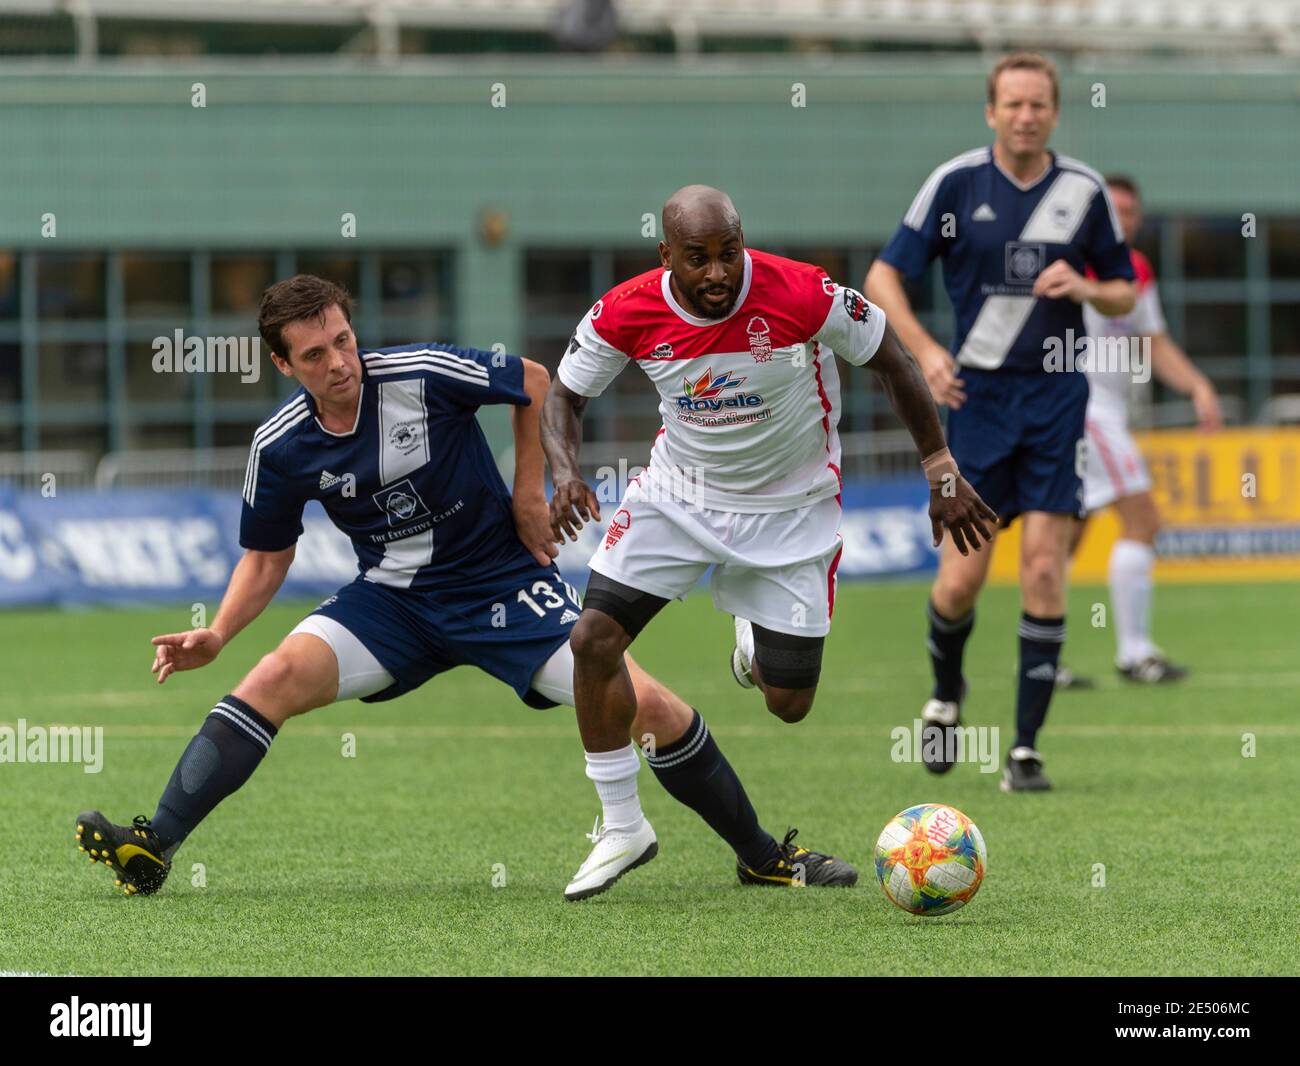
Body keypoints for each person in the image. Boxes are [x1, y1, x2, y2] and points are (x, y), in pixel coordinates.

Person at [74, 274, 856, 903]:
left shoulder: (419, 373)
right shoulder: (280, 447)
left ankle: (762, 858)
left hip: (501, 587)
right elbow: (267, 556)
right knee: (272, 677)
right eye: (314, 355)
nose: (339, 362)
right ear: (283, 365)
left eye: (343, 340)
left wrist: (528, 493)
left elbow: (536, 381)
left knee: (644, 704)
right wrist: (217, 632)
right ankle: (155, 846)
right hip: (392, 602)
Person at [542, 184, 994, 892]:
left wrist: (940, 467)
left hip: (793, 507)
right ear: (667, 256)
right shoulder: (627, 310)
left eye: (729, 253)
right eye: (698, 259)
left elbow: (892, 359)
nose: (718, 272)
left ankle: (754, 643)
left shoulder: (802, 292)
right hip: (678, 495)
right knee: (593, 639)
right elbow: (565, 395)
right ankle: (623, 824)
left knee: (790, 704)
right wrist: (565, 472)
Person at [864, 52, 1137, 791]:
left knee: (1046, 569)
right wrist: (922, 350)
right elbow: (883, 276)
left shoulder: (1082, 192)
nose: (1025, 116)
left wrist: (1084, 284)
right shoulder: (955, 184)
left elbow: (1123, 292)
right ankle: (948, 695)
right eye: (1012, 104)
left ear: (1054, 111)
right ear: (991, 111)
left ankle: (1023, 749)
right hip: (976, 405)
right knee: (960, 584)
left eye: (1038, 105)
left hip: (1056, 402)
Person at [1065, 175, 1222, 684]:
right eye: (1112, 210)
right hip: (1084, 408)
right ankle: (1134, 653)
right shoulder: (1067, 264)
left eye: (1130, 211)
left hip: (1103, 410)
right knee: (1143, 519)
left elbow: (1153, 342)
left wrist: (1197, 386)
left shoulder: (1134, 270)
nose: (1121, 219)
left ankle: (1046, 662)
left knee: (1065, 536)